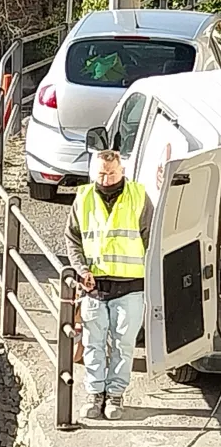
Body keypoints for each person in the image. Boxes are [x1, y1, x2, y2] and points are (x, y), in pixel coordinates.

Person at [65, 149, 153, 421]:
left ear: (122, 170)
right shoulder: (83, 198)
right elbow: (72, 239)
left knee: (123, 343)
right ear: (94, 172)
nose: (106, 179)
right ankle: (95, 394)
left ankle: (115, 394)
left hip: (131, 284)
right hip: (94, 286)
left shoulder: (139, 195)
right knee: (93, 342)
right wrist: (81, 270)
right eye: (101, 174)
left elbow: (151, 238)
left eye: (111, 173)